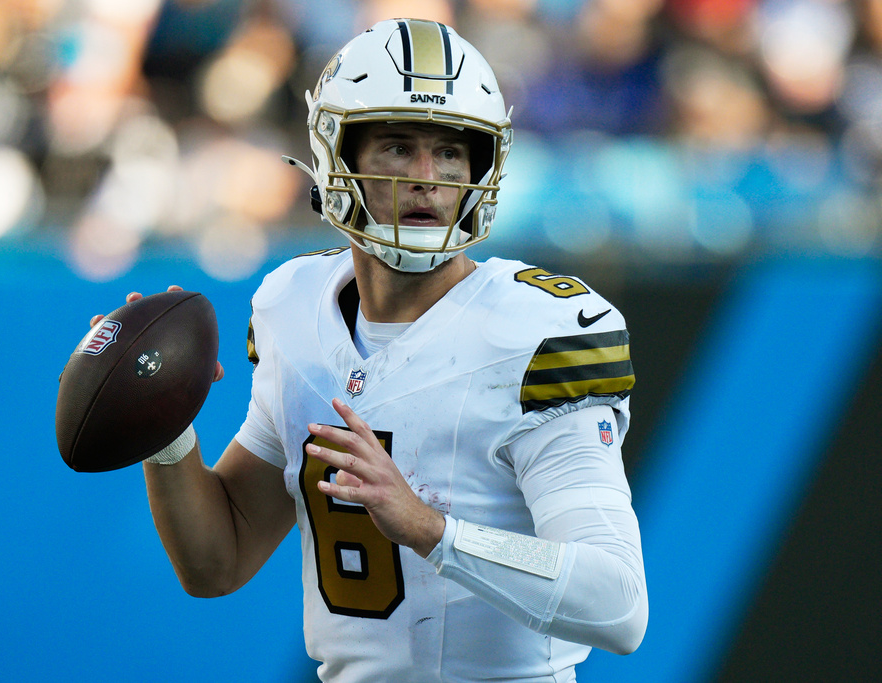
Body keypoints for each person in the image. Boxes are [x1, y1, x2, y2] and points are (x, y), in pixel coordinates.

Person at [99, 18, 647, 681]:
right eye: (396, 146)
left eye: (450, 152)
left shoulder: (536, 333)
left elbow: (619, 604)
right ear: (337, 156)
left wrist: (428, 528)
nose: (427, 177)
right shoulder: (292, 306)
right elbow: (218, 559)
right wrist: (168, 427)